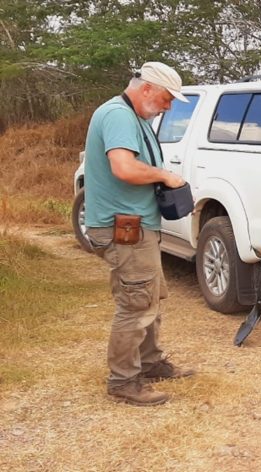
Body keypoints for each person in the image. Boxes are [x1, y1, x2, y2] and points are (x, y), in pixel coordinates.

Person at [83, 62, 194, 406]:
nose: (168, 106)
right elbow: (124, 167)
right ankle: (123, 380)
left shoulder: (135, 118)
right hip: (123, 229)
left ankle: (149, 362)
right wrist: (164, 176)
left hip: (137, 226)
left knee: (149, 297)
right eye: (166, 98)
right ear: (146, 89)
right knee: (135, 304)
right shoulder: (117, 115)